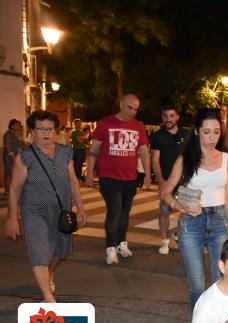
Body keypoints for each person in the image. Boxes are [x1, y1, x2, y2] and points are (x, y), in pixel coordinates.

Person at [5, 110, 86, 302]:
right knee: (39, 251)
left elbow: (73, 181)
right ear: (32, 131)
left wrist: (80, 207)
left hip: (61, 211)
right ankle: (49, 298)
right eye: (40, 129)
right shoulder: (24, 155)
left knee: (59, 251)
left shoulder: (65, 152)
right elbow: (15, 189)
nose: (46, 133)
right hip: (34, 211)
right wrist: (11, 218)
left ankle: (49, 274)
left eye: (50, 129)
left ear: (55, 130)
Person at [160, 108, 228, 308]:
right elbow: (166, 192)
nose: (212, 138)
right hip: (192, 225)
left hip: (219, 222)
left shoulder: (227, 160)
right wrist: (181, 208)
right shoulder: (185, 159)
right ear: (196, 132)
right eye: (207, 132)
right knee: (197, 286)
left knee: (221, 282)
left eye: (217, 132)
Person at [85, 93, 151, 265]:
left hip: (130, 177)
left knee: (124, 213)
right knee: (115, 211)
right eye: (130, 108)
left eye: (136, 109)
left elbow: (144, 151)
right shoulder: (105, 123)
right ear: (121, 104)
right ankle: (110, 248)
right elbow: (94, 150)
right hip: (109, 177)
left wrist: (147, 175)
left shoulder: (138, 126)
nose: (133, 112)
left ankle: (122, 244)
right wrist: (89, 172)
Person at [150, 105, 188, 255]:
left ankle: (178, 234)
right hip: (167, 180)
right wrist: (161, 181)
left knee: (186, 212)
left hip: (185, 181)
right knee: (165, 211)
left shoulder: (186, 133)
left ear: (177, 117)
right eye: (165, 116)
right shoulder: (158, 136)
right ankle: (164, 241)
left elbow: (192, 155)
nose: (168, 119)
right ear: (162, 117)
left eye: (172, 116)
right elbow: (154, 160)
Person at [3, 119, 23, 193]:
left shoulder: (17, 133)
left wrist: (20, 137)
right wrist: (14, 160)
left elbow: (21, 145)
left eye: (19, 125)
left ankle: (13, 190)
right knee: (9, 173)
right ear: (12, 125)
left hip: (16, 156)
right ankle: (7, 190)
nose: (19, 126)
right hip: (9, 157)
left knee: (14, 173)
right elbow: (9, 148)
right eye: (17, 125)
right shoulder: (8, 134)